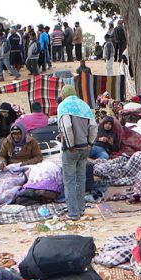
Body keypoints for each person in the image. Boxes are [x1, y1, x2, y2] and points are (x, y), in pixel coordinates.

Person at [57, 85, 97, 220]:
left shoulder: (63, 106)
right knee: (81, 179)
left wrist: (70, 144)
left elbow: (67, 126)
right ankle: (81, 209)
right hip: (85, 148)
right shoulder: (84, 106)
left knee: (69, 181)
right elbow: (93, 126)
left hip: (71, 149)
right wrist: (90, 143)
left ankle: (73, 213)